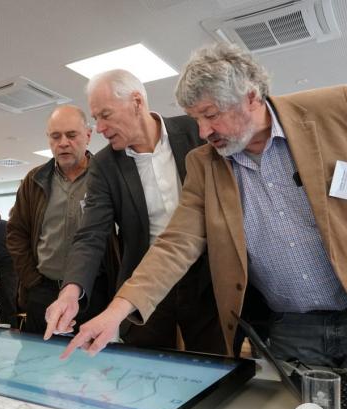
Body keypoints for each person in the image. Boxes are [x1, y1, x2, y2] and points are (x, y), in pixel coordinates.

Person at [59, 43, 347, 376]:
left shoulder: (336, 109)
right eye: (196, 118)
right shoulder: (205, 163)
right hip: (288, 327)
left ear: (251, 97)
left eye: (211, 115)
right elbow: (176, 244)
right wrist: (117, 310)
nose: (203, 131)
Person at [44, 70, 225, 354]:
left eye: (106, 115)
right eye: (96, 119)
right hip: (143, 283)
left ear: (137, 102)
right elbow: (91, 234)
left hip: (208, 280)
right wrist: (71, 291)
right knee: (145, 372)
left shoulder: (195, 133)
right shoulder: (105, 165)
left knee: (214, 363)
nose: (100, 128)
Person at [7, 105, 118, 334]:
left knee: (90, 365)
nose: (63, 142)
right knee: (37, 363)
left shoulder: (107, 176)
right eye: (55, 136)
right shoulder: (34, 180)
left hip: (92, 292)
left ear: (88, 135)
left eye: (71, 135)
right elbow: (16, 233)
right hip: (43, 291)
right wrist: (32, 281)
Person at [0, 210, 18, 327]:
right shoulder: (6, 224)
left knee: (7, 303)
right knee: (10, 300)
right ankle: (12, 326)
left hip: (5, 266)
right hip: (17, 265)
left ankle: (10, 328)